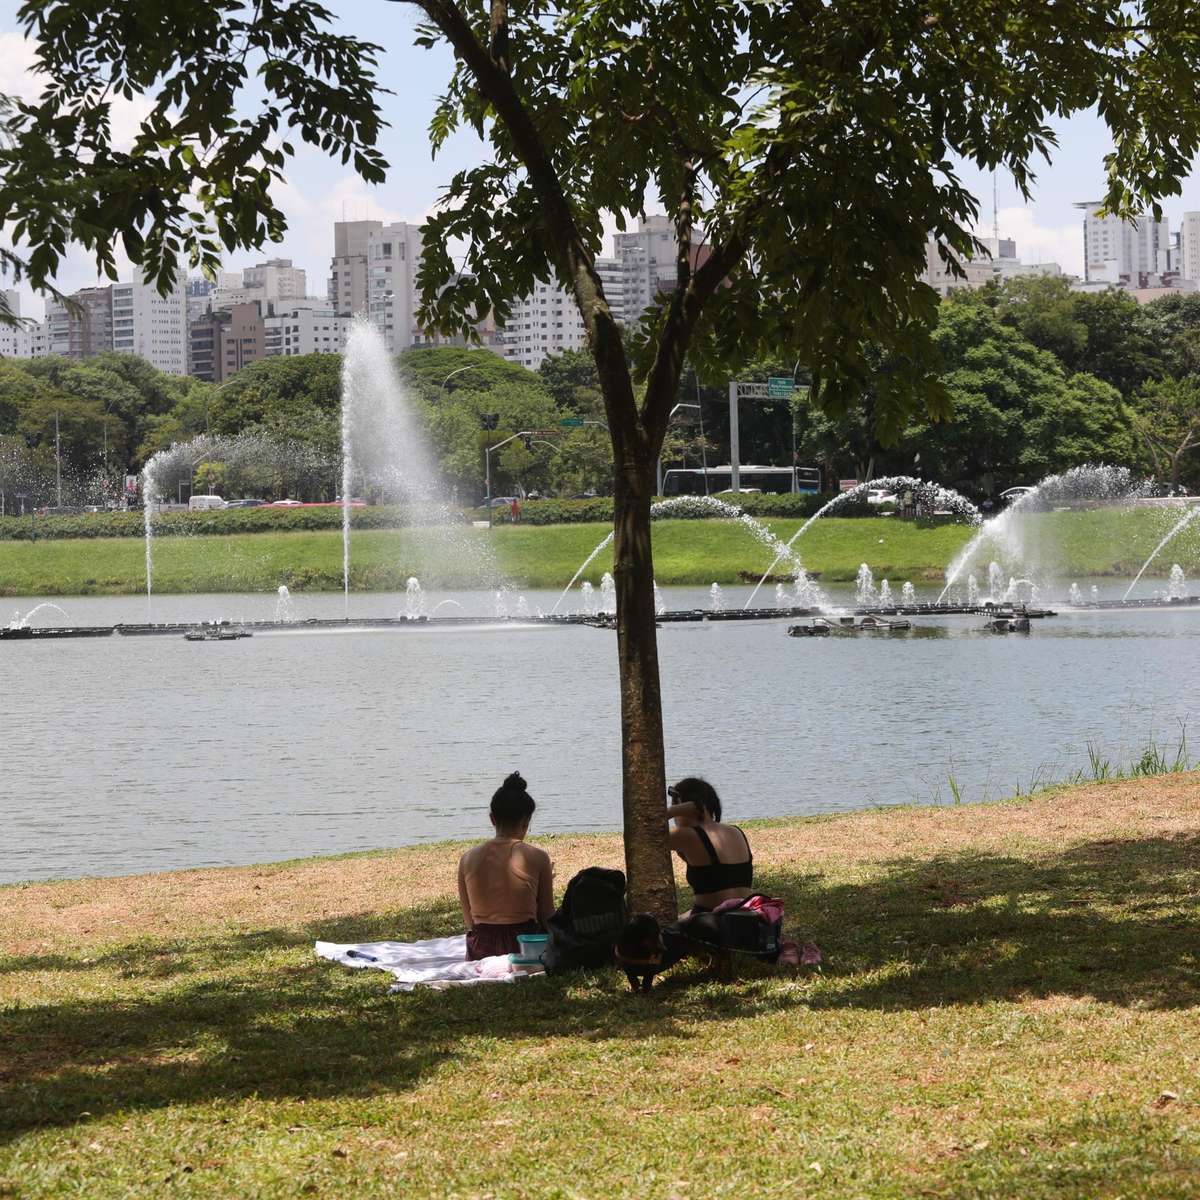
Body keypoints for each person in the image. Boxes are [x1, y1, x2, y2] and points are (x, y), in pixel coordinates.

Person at [458, 772, 554, 960]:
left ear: (492, 819)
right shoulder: (538, 857)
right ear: (526, 822)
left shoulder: (467, 858)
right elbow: (546, 916)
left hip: (481, 948)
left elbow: (470, 922)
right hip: (524, 947)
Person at [666, 777, 753, 915]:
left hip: (713, 923)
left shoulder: (686, 835)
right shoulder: (736, 832)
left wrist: (671, 811)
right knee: (682, 916)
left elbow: (645, 834)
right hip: (745, 920)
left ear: (683, 807)